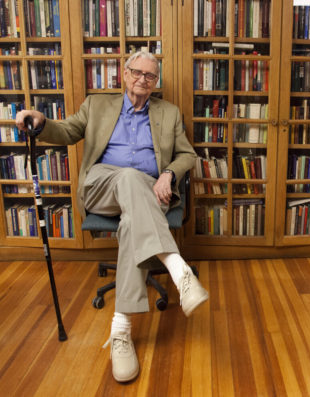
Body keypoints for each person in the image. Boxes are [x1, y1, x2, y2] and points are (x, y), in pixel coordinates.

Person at [16, 51, 208, 383]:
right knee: (129, 177)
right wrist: (42, 121)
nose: (142, 80)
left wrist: (167, 175)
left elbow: (187, 155)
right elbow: (65, 132)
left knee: (134, 218)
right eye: (137, 72)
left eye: (150, 76)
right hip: (101, 188)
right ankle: (179, 269)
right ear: (124, 73)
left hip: (149, 192)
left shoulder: (169, 112)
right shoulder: (97, 105)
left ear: (155, 82)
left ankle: (120, 332)